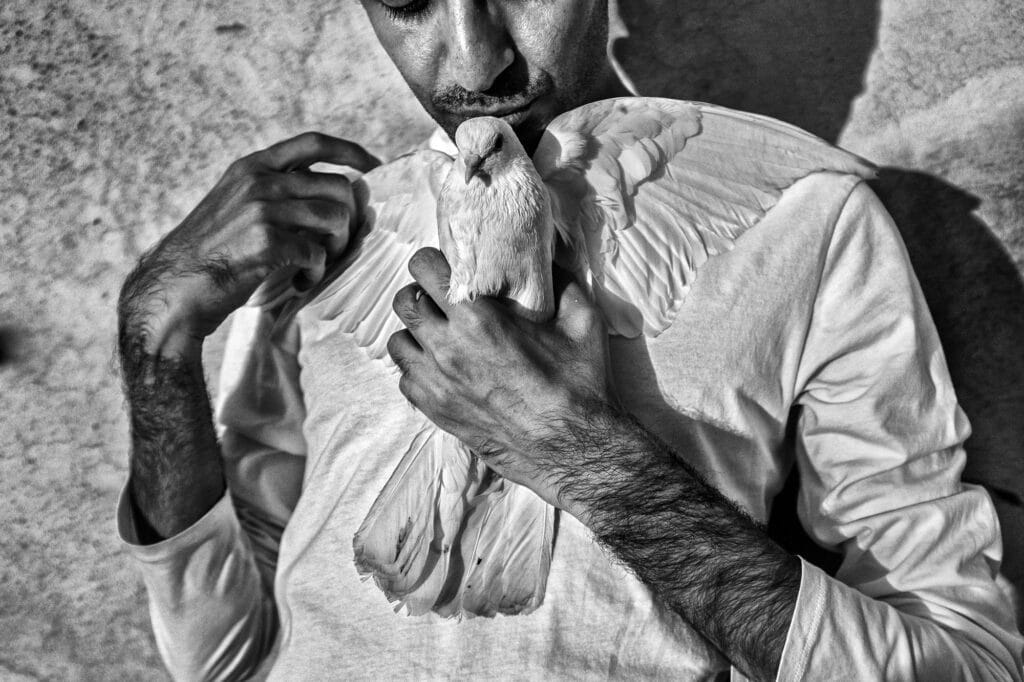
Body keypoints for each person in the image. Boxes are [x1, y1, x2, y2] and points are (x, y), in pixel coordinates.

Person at [115, 1, 1023, 680]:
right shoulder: (320, 229)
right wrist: (156, 350)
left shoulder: (803, 220)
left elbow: (966, 662)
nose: (478, 57)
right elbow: (224, 658)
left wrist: (582, 457)